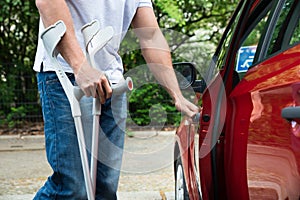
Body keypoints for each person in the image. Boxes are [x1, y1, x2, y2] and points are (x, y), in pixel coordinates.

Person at [33, 0, 199, 199]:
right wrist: (81, 66)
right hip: (65, 73)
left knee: (105, 188)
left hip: (111, 81)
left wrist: (176, 93)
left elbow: (150, 35)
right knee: (72, 188)